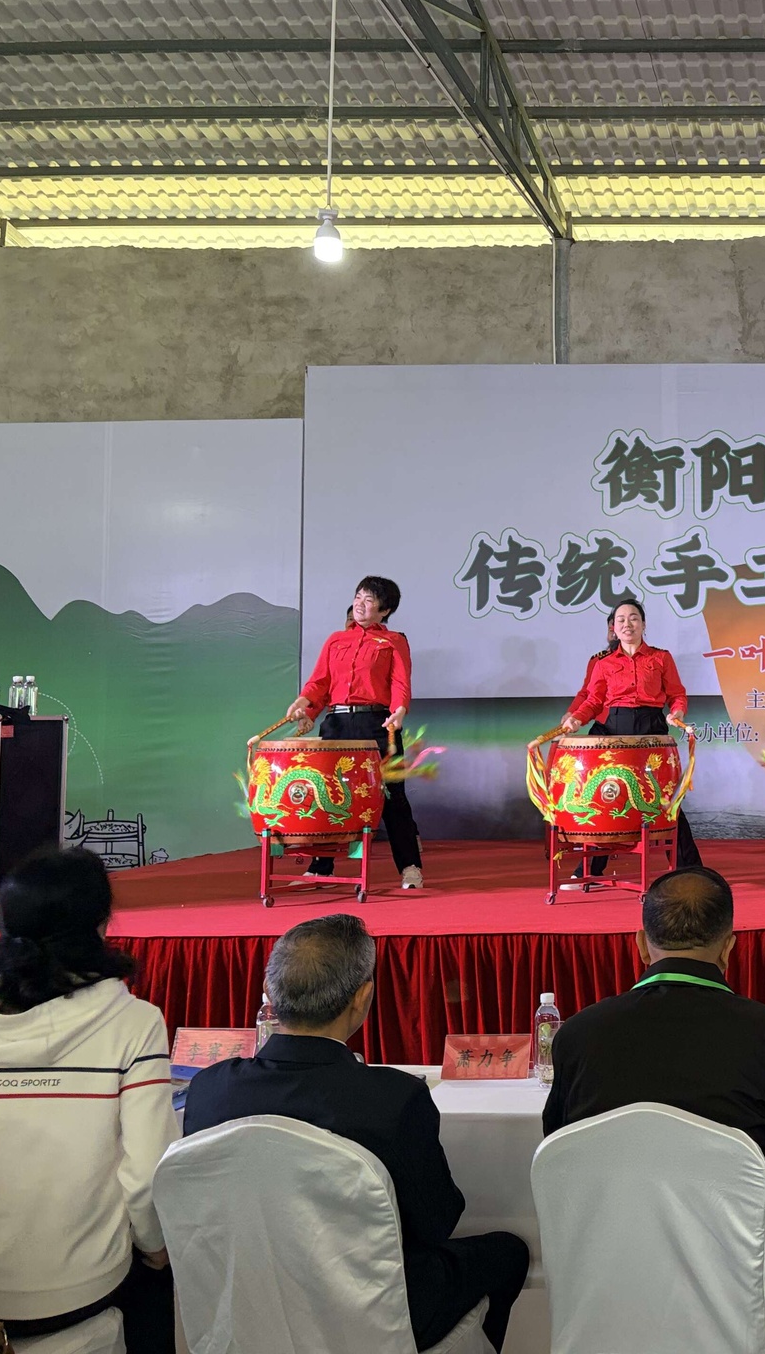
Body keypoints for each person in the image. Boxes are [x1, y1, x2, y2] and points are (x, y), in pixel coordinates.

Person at [184, 915, 530, 1351]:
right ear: (363, 997)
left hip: (245, 1304)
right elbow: (437, 1223)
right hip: (372, 1313)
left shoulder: (209, 1090)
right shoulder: (393, 1099)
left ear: (269, 992)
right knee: (507, 1254)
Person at [543, 867, 765, 1352]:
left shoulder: (577, 1035)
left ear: (641, 946)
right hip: (741, 1303)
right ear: (730, 948)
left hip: (609, 1293)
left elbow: (562, 1162)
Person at [0, 848, 179, 1353]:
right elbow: (147, 1175)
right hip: (81, 1294)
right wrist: (156, 1248)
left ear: (2, 925)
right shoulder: (133, 1024)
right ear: (100, 926)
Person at [286, 575, 425, 890]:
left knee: (392, 796)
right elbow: (320, 682)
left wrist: (399, 710)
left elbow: (400, 683)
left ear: (384, 610)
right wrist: (305, 706)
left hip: (377, 724)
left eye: (369, 600)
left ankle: (410, 868)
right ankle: (322, 868)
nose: (360, 604)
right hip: (336, 725)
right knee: (328, 794)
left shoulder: (393, 641)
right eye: (358, 597)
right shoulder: (336, 640)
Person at [559, 597, 702, 873]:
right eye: (621, 620)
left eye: (634, 618)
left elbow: (677, 694)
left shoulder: (661, 658)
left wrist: (677, 712)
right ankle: (589, 870)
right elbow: (594, 700)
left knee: (665, 801)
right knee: (604, 797)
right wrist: (577, 717)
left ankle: (689, 869)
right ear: (613, 628)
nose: (628, 624)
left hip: (651, 731)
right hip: (614, 731)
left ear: (644, 624)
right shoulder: (603, 663)